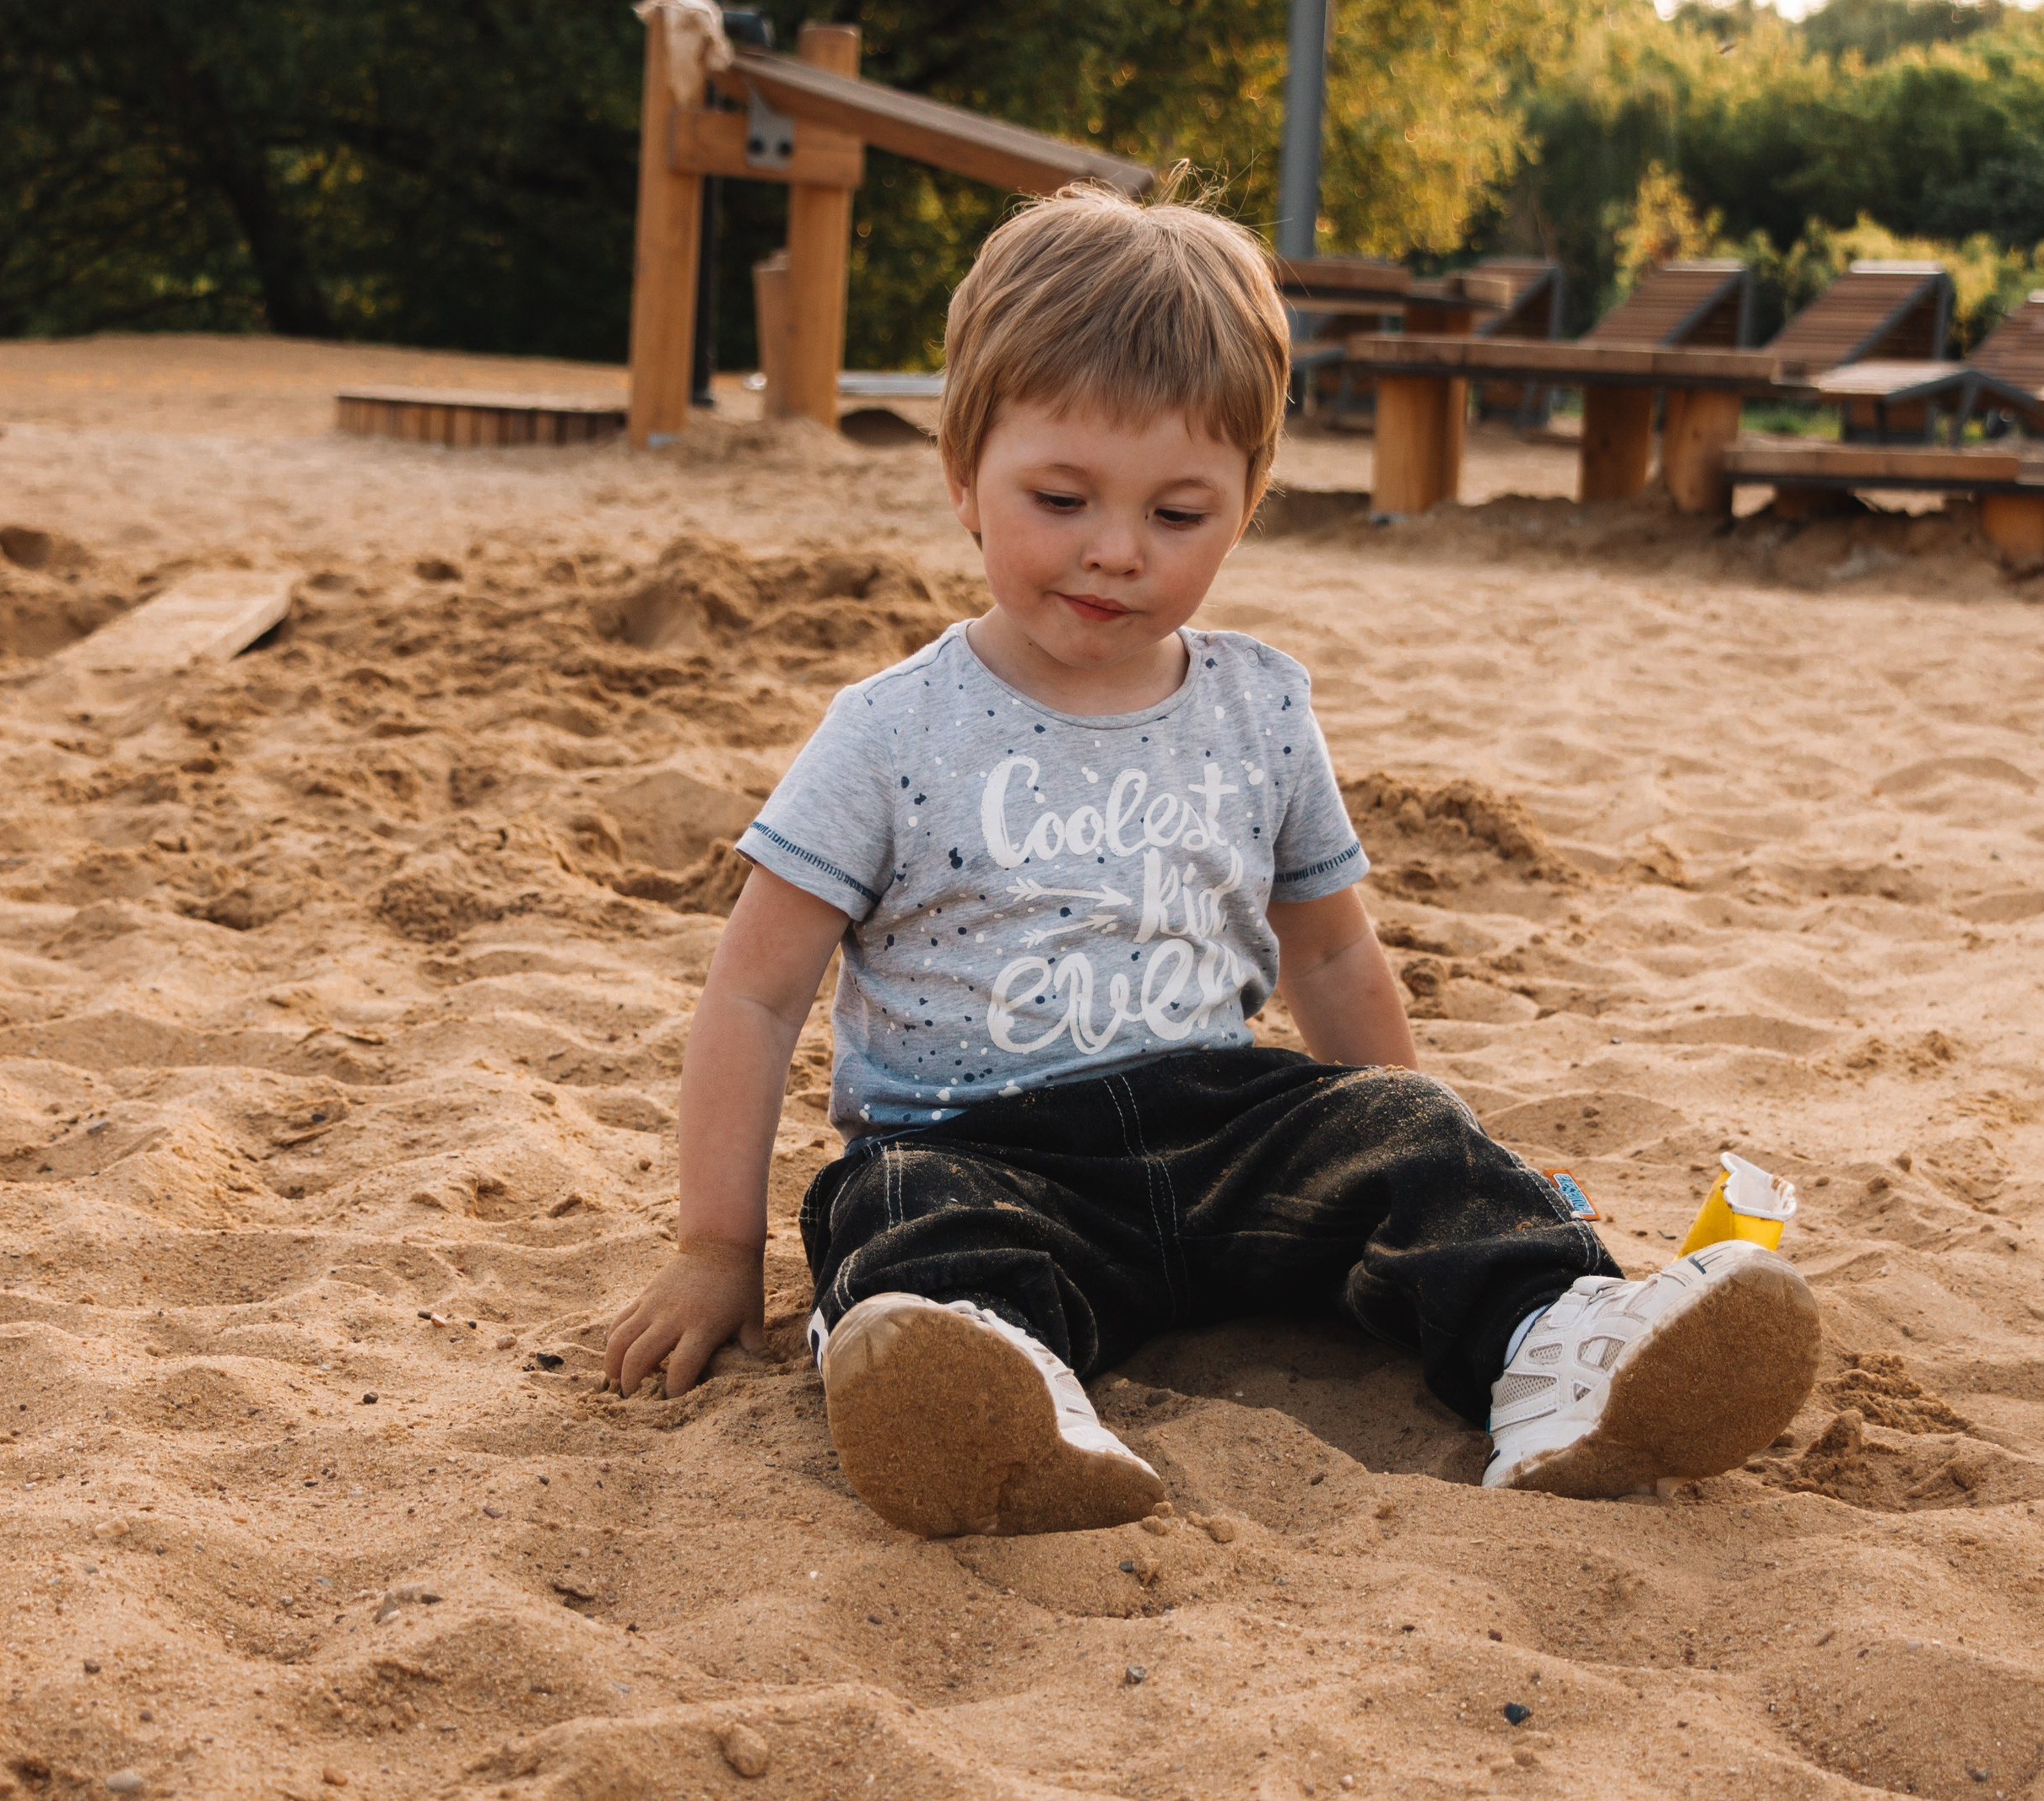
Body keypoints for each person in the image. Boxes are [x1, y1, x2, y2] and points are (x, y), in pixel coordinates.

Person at [602, 185, 1820, 1535]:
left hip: (1229, 1137)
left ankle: (1560, 1357)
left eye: (1180, 514)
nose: (1115, 550)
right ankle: (988, 1391)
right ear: (963, 472)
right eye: (1060, 497)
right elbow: (756, 993)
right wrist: (715, 1249)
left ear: (1247, 503)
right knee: (897, 1209)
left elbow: (1334, 948)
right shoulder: (892, 730)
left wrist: (1409, 1143)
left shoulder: (1262, 707)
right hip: (983, 1146)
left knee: (1414, 1132)